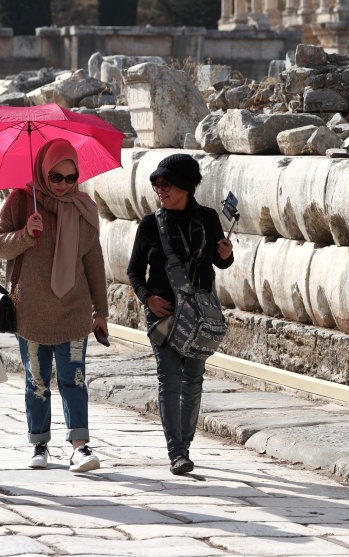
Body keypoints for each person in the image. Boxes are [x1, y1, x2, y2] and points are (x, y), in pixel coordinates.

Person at [0, 138, 109, 473]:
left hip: (73, 309)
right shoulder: (20, 201)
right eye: (55, 177)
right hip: (29, 311)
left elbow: (94, 263)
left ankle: (80, 447)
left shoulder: (83, 207)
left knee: (74, 377)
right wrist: (27, 234)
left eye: (71, 178)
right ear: (42, 172)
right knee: (37, 380)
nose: (63, 184)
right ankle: (39, 443)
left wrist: (101, 312)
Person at [127, 154, 234, 475]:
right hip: (163, 316)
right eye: (156, 183)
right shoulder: (149, 225)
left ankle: (184, 446)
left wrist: (227, 255)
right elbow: (134, 271)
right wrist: (148, 299)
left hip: (199, 317)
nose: (160, 189)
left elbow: (221, 263)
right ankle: (176, 452)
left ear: (186, 186)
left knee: (193, 381)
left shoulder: (209, 218)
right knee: (169, 379)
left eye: (166, 183)